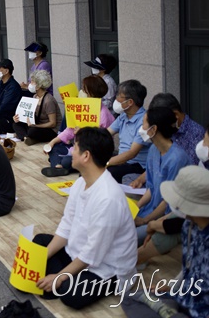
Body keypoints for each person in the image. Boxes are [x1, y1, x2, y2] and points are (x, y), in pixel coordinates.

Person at [33, 127, 137, 310]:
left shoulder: (108, 197)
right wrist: (39, 259)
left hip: (107, 267)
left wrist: (59, 277)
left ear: (86, 156)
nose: (72, 151)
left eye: (76, 147)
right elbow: (66, 226)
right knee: (40, 243)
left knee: (70, 294)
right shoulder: (81, 182)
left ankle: (59, 280)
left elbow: (93, 252)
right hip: (78, 252)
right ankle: (56, 279)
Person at [137, 120, 209, 265]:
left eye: (204, 141)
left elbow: (184, 220)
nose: (200, 144)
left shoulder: (178, 158)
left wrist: (154, 224)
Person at [158, 166, 209, 318]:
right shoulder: (189, 225)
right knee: (135, 298)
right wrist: (170, 286)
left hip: (208, 312)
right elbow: (190, 267)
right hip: (184, 299)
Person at [133, 107, 191, 245]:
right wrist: (135, 208)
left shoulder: (177, 158)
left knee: (127, 238)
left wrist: (145, 220)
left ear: (153, 129)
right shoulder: (154, 150)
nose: (141, 128)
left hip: (165, 217)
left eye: (144, 124)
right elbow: (151, 188)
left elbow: (168, 202)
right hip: (149, 210)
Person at [42, 75, 114, 177]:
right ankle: (59, 166)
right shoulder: (81, 108)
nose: (81, 91)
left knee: (67, 161)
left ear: (91, 93)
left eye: (84, 89)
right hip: (76, 149)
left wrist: (83, 133)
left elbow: (101, 141)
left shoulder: (104, 114)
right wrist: (52, 142)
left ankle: (59, 164)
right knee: (55, 148)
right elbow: (69, 130)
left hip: (91, 152)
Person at [129, 92, 205, 188]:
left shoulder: (196, 133)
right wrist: (140, 180)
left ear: (175, 115)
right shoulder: (155, 147)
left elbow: (187, 170)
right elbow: (155, 167)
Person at [106, 80, 151, 183]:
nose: (116, 99)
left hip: (137, 166)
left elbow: (132, 153)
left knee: (106, 174)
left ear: (130, 102)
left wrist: (106, 163)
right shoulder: (123, 116)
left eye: (119, 96)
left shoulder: (144, 121)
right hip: (122, 162)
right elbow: (106, 134)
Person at [12, 69, 62, 145]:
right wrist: (19, 118)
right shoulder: (35, 96)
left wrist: (36, 126)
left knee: (32, 131)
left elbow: (53, 123)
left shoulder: (48, 100)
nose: (29, 84)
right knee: (16, 124)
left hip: (50, 129)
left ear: (38, 86)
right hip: (37, 125)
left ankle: (27, 137)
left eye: (32, 82)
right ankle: (27, 138)